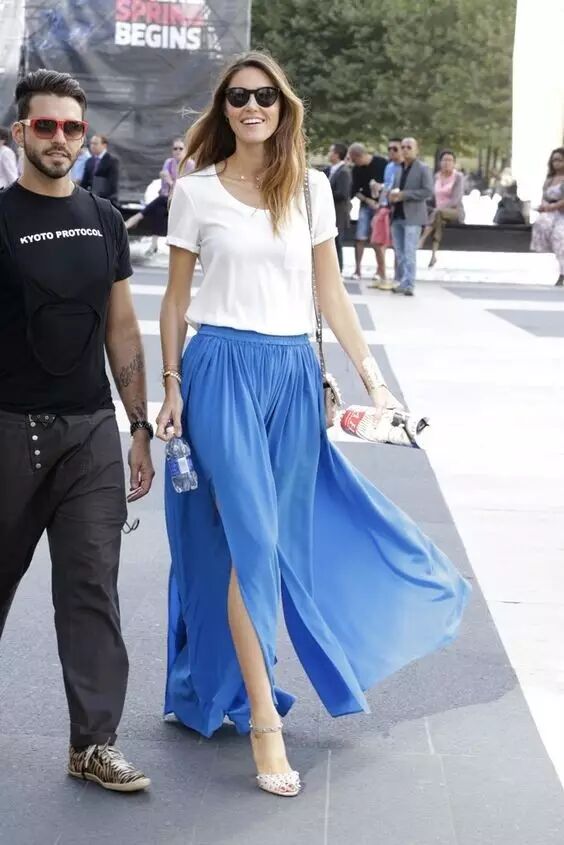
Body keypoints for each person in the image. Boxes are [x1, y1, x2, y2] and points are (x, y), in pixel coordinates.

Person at [157, 51, 470, 799]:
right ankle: (265, 722)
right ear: (224, 108)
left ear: (283, 106)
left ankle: (228, 686)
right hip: (220, 370)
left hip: (293, 374)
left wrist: (373, 379)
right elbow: (174, 300)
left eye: (265, 95)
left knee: (274, 544)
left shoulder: (312, 190)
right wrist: (170, 386)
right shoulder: (195, 192)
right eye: (239, 96)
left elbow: (330, 292)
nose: (252, 106)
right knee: (252, 542)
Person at [0, 68, 154, 792]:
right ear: (19, 132)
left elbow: (122, 328)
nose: (59, 137)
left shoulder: (104, 219)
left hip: (91, 433)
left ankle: (93, 744)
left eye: (71, 127)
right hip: (8, 430)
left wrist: (138, 426)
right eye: (45, 125)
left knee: (92, 589)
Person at [125, 138, 194, 257]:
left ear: (186, 151)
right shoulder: (169, 162)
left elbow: (185, 187)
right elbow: (165, 187)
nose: (177, 151)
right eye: (175, 149)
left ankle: (135, 219)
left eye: (180, 148)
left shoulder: (190, 165)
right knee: (158, 210)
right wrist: (170, 184)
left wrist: (170, 182)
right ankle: (153, 245)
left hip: (183, 200)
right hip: (166, 199)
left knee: (160, 202)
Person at [389, 137, 433, 296]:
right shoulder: (398, 168)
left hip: (413, 216)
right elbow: (395, 188)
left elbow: (428, 191)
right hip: (397, 215)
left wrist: (404, 195)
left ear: (416, 150)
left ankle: (409, 284)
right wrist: (392, 195)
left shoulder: (423, 168)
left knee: (409, 252)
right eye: (403, 147)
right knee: (399, 253)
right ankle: (403, 281)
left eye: (409, 147)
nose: (405, 150)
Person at [419, 150, 465, 267]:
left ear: (454, 163)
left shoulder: (458, 177)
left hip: (454, 212)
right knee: (438, 218)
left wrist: (437, 209)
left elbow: (455, 200)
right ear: (440, 162)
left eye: (450, 160)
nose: (447, 163)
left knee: (437, 212)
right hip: (438, 214)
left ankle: (422, 239)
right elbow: (431, 197)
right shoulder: (436, 177)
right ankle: (433, 255)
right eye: (444, 160)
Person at [348, 142, 387, 280]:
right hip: (366, 205)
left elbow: (389, 183)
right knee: (360, 236)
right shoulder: (356, 170)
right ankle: (357, 270)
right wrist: (366, 200)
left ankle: (380, 271)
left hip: (381, 206)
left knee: (378, 239)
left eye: (354, 160)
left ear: (359, 156)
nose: (353, 163)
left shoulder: (381, 163)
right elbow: (354, 191)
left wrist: (380, 199)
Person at [369, 137, 403, 290]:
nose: (391, 151)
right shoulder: (389, 166)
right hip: (383, 207)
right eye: (389, 149)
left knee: (396, 244)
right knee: (377, 242)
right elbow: (387, 186)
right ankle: (383, 275)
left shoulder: (404, 167)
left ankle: (397, 278)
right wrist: (378, 189)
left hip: (396, 209)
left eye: (395, 149)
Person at [531, 147, 564, 286]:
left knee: (560, 236)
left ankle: (562, 273)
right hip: (549, 214)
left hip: (561, 213)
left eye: (560, 160)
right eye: (554, 160)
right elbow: (544, 197)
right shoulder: (549, 180)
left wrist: (552, 207)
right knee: (543, 224)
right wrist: (544, 206)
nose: (556, 163)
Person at [326, 142, 352, 274]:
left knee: (337, 242)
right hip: (329, 213)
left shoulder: (344, 172)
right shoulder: (329, 170)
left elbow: (343, 193)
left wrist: (325, 194)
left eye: (331, 151)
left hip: (338, 214)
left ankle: (338, 271)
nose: (329, 154)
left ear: (337, 154)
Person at [81, 133, 120, 204]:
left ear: (104, 145)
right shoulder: (89, 161)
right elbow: (84, 182)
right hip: (92, 199)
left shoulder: (112, 161)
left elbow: (112, 183)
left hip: (107, 200)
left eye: (95, 144)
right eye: (91, 143)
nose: (92, 146)